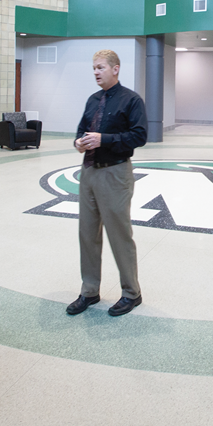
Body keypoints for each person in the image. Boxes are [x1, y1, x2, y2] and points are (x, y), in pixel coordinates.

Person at [67, 49, 147, 317]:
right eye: (94, 68)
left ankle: (131, 293)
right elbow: (81, 130)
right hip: (89, 172)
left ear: (116, 69)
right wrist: (79, 142)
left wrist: (105, 139)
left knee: (119, 234)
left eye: (100, 68)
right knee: (87, 234)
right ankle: (89, 290)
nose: (96, 72)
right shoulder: (92, 100)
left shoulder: (131, 100)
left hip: (115, 173)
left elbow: (139, 136)